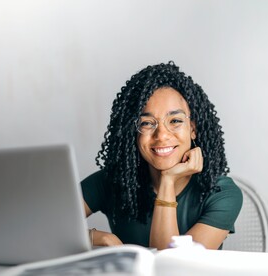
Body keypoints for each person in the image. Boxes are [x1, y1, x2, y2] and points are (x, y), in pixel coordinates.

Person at [82, 61, 243, 250]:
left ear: (193, 129)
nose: (162, 135)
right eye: (147, 123)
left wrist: (168, 180)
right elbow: (43, 227)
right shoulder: (113, 181)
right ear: (133, 132)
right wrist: (98, 238)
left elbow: (172, 268)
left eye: (175, 120)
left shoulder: (221, 194)